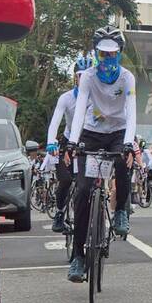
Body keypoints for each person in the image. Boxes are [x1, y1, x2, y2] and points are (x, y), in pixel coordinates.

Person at [66, 26, 137, 283]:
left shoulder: (127, 78)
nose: (107, 58)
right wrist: (73, 142)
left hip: (118, 132)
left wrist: (128, 144)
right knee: (83, 191)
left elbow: (132, 111)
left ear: (119, 53)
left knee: (123, 164)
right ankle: (78, 256)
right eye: (103, 54)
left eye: (112, 54)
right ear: (96, 53)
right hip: (91, 133)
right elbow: (79, 111)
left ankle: (121, 211)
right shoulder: (88, 77)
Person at [47, 55, 93, 233]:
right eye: (80, 75)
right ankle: (59, 213)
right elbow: (55, 122)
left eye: (87, 76)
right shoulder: (65, 98)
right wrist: (51, 142)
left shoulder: (97, 98)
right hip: (68, 142)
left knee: (88, 183)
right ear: (75, 77)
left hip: (89, 141)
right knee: (65, 180)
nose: (83, 79)